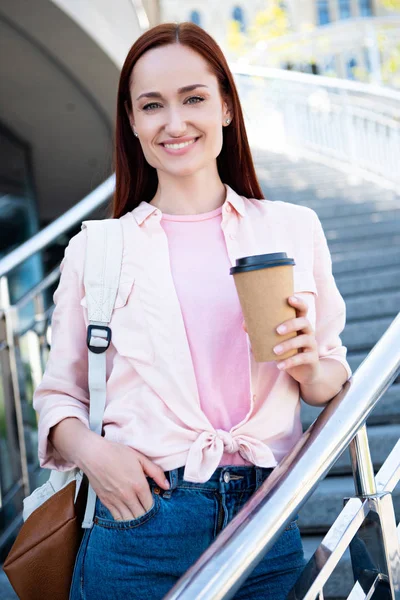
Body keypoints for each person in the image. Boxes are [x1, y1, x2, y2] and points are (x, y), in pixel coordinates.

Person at [32, 22, 352, 600]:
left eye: (194, 99)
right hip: (139, 520)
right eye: (152, 106)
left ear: (227, 107)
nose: (174, 123)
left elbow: (331, 376)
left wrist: (308, 365)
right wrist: (94, 454)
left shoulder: (292, 227)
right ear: (132, 123)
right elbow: (59, 396)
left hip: (265, 518)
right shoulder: (97, 247)